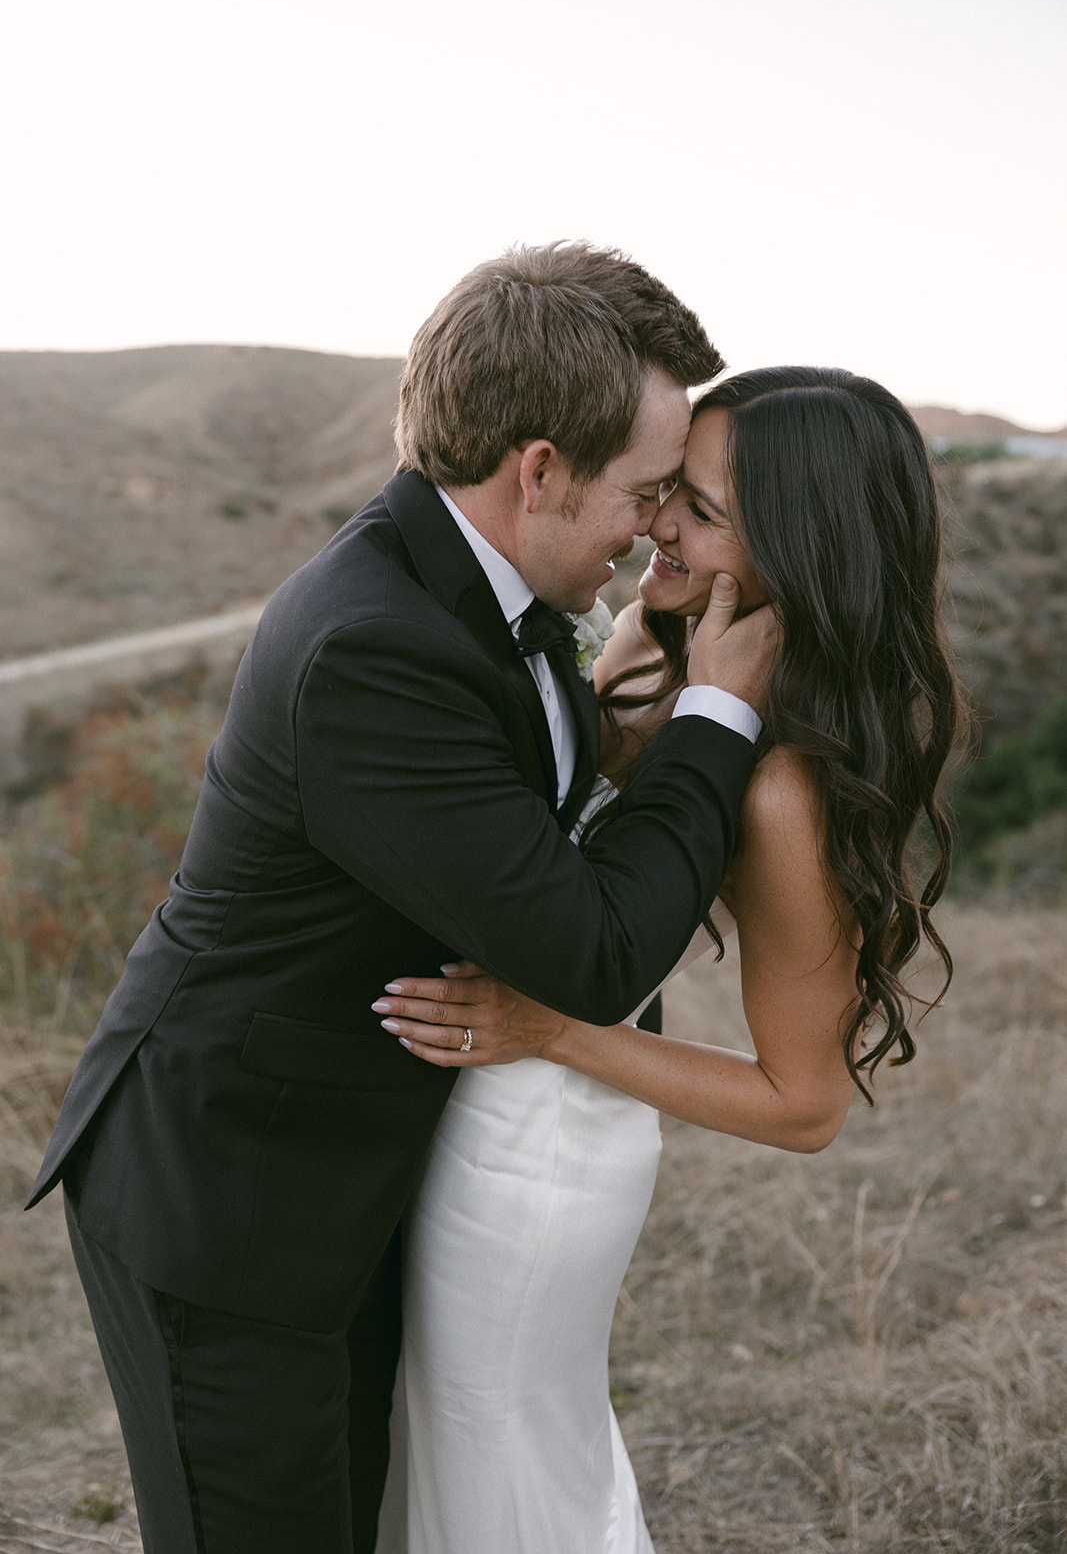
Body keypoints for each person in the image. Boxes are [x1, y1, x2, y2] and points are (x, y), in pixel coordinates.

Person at [25, 243, 780, 1554]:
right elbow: (588, 948)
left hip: (349, 1176)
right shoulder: (374, 646)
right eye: (643, 492)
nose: (656, 527)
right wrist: (718, 714)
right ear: (535, 469)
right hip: (231, 1203)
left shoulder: (488, 588)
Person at [369, 367, 965, 1553]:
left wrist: (552, 1033)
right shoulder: (656, 641)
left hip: (535, 1156)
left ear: (794, 543)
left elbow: (802, 1104)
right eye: (660, 491)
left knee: (501, 1470)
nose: (653, 523)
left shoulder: (786, 788)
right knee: (430, 1459)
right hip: (459, 1111)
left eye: (694, 505)